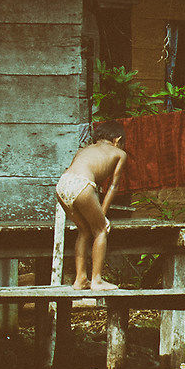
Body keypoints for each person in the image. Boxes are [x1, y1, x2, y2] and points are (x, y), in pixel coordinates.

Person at [56, 122, 128, 291]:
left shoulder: (84, 149)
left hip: (62, 184)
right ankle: (97, 280)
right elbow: (113, 186)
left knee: (84, 230)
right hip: (82, 184)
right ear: (117, 140)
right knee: (101, 229)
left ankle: (80, 279)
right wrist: (103, 213)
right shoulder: (120, 153)